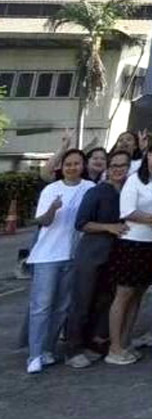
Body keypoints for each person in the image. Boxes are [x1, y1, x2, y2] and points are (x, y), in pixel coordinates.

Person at [25, 148, 94, 373]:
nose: (72, 168)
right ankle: (34, 355)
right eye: (68, 164)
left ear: (83, 166)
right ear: (61, 168)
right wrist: (53, 209)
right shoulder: (51, 189)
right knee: (42, 306)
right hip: (47, 256)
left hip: (73, 256)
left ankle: (47, 349)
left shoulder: (89, 188)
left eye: (77, 163)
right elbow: (43, 221)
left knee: (62, 307)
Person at [106, 139, 152, 365]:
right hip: (133, 243)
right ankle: (114, 347)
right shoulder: (134, 179)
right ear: (149, 154)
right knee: (123, 295)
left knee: (138, 295)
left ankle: (126, 341)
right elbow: (127, 211)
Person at [65, 149, 132, 368]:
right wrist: (108, 227)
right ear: (108, 169)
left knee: (103, 301)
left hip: (115, 255)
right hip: (91, 254)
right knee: (82, 302)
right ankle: (72, 350)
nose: (118, 170)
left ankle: (92, 343)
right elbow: (81, 223)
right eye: (114, 166)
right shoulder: (96, 192)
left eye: (123, 166)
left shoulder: (128, 191)